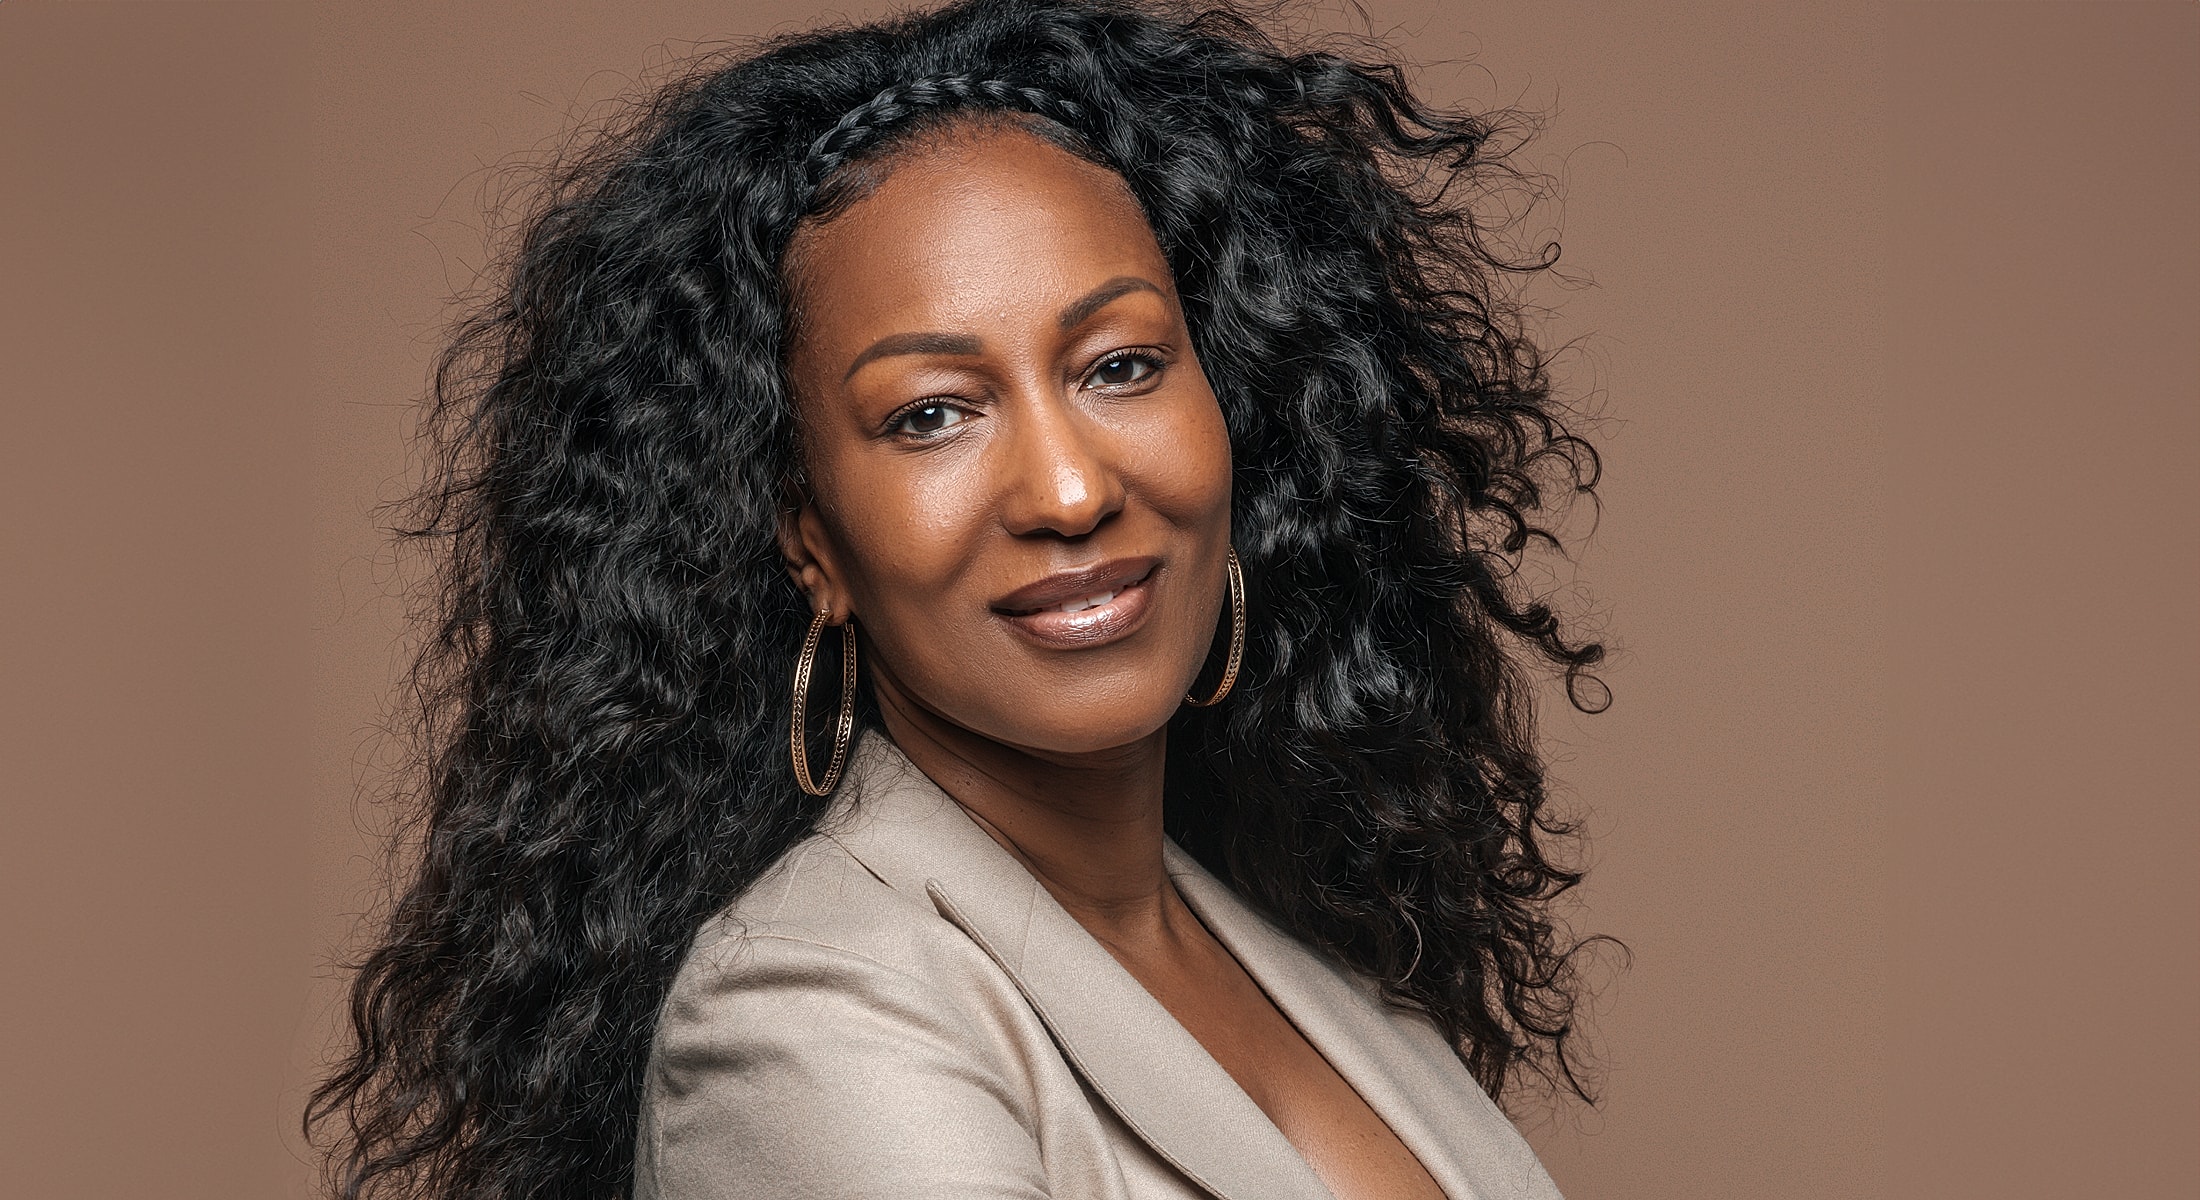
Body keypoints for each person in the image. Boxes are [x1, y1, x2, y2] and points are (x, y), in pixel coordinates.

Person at [310, 1, 1609, 1197]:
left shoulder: (1299, 958)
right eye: (932, 413)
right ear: (808, 538)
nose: (1066, 487)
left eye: (1120, 364)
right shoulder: (812, 1010)